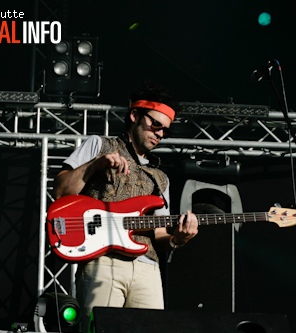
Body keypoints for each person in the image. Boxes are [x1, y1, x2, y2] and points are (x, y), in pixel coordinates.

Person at [53, 82, 199, 332]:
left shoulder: (160, 177)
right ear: (134, 116)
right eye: (156, 125)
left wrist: (179, 238)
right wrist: (96, 164)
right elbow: (61, 192)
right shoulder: (99, 145)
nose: (160, 134)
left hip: (148, 268)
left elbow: (161, 235)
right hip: (104, 260)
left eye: (165, 130)